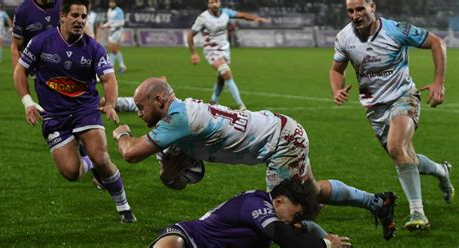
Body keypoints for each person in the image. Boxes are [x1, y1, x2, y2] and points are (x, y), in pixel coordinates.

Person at [113, 77, 397, 240]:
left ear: (159, 101)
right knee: (310, 191)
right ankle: (377, 203)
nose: (138, 114)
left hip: (281, 143)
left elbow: (130, 154)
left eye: (141, 107)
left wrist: (121, 134)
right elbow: (182, 182)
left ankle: (328, 243)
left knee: (283, 215)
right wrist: (167, 175)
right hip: (284, 129)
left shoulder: (177, 120)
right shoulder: (179, 120)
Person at [329, 0, 454, 232]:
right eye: (350, 10)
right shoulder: (344, 37)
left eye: (360, 9)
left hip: (404, 97)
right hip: (374, 108)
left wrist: (439, 82)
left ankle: (418, 213)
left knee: (397, 147)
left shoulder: (397, 30)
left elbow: (437, 43)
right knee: (406, 157)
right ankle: (441, 170)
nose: (355, 15)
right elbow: (337, 69)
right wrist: (337, 89)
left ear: (372, 7)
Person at [13, 0, 136, 223]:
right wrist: (28, 102)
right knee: (71, 172)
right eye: (75, 16)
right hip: (54, 115)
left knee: (101, 157)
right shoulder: (41, 42)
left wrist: (109, 103)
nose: (80, 20)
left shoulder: (94, 48)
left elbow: (109, 79)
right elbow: (20, 71)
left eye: (83, 16)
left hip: (85, 109)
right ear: (62, 16)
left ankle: (124, 207)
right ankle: (86, 160)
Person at [150, 179, 352, 248]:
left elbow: (304, 229)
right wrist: (326, 244)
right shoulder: (256, 205)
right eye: (296, 215)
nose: (294, 221)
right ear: (279, 201)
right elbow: (288, 240)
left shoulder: (281, 215)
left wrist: (323, 235)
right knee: (174, 244)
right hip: (189, 238)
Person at [187, 0, 268, 110]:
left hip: (225, 49)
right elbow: (190, 36)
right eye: (211, 2)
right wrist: (194, 54)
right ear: (208, 4)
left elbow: (242, 15)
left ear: (219, 3)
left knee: (221, 77)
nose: (214, 4)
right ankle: (241, 106)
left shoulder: (226, 12)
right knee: (226, 72)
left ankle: (213, 100)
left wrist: (255, 18)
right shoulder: (203, 18)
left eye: (216, 2)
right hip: (211, 51)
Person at [11, 0, 61, 68]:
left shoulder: (64, 5)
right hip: (35, 70)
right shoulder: (22, 10)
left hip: (62, 69)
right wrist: (19, 75)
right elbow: (16, 46)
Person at [101, 0, 126, 73]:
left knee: (112, 48)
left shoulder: (119, 11)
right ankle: (118, 66)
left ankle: (115, 66)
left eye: (112, 2)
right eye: (110, 2)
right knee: (112, 49)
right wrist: (104, 26)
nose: (111, 3)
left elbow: (121, 23)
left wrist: (110, 25)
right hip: (112, 31)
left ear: (115, 3)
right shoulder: (109, 10)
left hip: (117, 31)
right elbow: (110, 21)